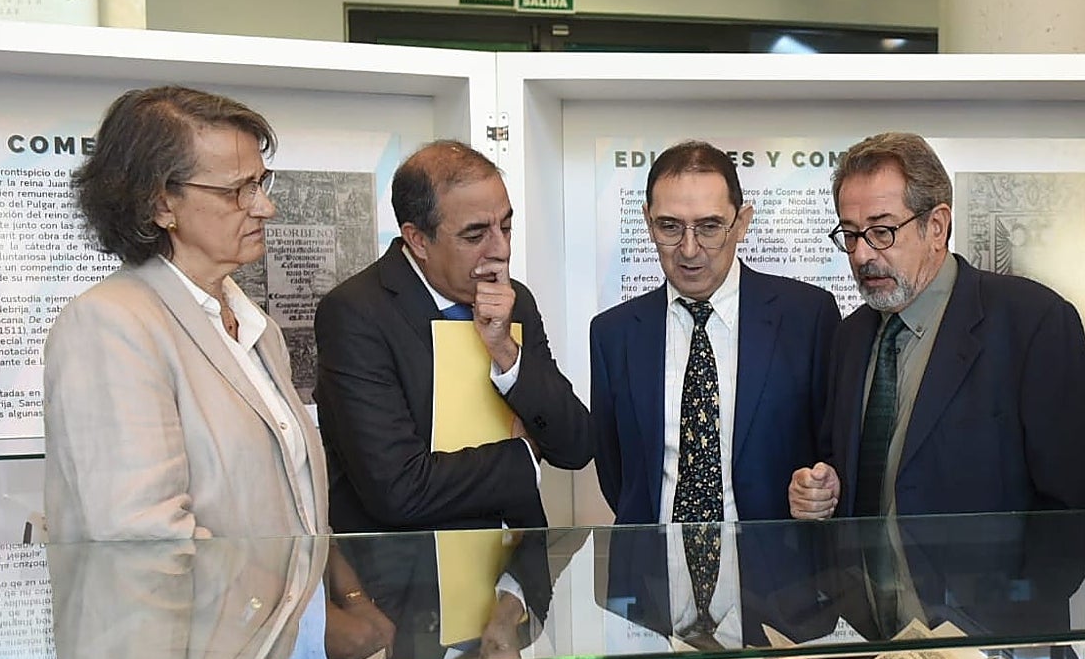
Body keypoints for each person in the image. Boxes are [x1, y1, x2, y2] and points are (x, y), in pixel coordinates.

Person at [43, 85, 326, 542]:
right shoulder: (109, 325)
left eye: (261, 182)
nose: (265, 207)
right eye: (239, 190)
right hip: (191, 615)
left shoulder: (256, 326)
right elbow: (142, 534)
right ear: (160, 204)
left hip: (272, 613)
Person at [790, 130, 1085, 520]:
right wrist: (824, 488)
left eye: (882, 231)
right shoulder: (851, 336)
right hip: (857, 581)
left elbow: (1069, 505)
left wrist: (1019, 583)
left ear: (937, 227)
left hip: (989, 581)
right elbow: (846, 463)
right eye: (850, 234)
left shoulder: (1034, 323)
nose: (861, 254)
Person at [313, 139, 591, 534]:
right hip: (412, 580)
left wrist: (506, 351)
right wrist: (523, 456)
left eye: (506, 226)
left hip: (514, 576)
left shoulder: (517, 300)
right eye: (475, 235)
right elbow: (399, 490)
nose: (500, 249)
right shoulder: (356, 313)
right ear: (418, 240)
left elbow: (576, 444)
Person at [590, 140, 839, 526]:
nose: (689, 249)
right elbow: (618, 475)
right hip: (652, 571)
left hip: (774, 574)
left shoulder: (806, 317)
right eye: (669, 226)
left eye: (709, 227)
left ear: (741, 223)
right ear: (647, 221)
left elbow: (831, 450)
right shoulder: (613, 334)